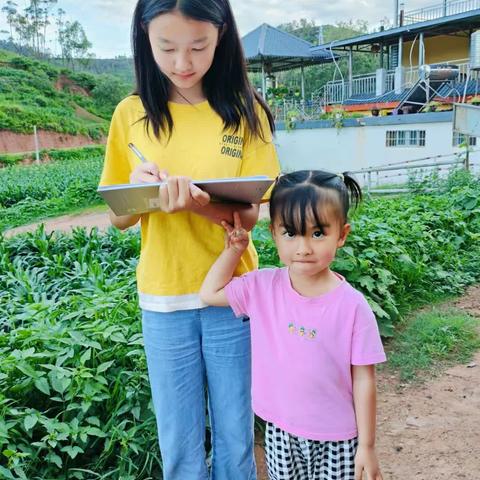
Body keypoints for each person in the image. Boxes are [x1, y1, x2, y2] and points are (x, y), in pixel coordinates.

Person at [98, 0, 280, 478]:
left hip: (231, 293)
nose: (183, 63)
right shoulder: (131, 115)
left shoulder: (245, 114)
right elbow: (120, 218)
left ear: (221, 36)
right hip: (162, 296)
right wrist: (141, 189)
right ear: (144, 38)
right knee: (178, 438)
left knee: (235, 433)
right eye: (167, 48)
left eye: (198, 46)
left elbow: (251, 215)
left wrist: (199, 203)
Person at [200, 170, 386, 480]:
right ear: (273, 233)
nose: (303, 247)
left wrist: (366, 445)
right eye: (290, 233)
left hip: (338, 438)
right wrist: (234, 250)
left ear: (341, 234)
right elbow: (210, 293)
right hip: (281, 432)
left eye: (317, 233)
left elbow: (364, 380)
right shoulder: (261, 288)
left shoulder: (353, 306)